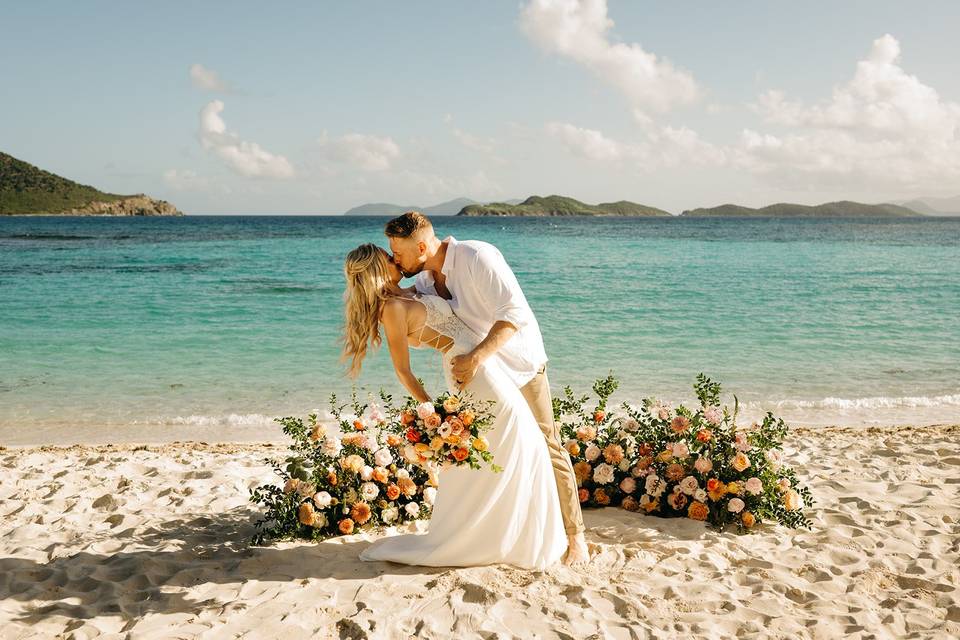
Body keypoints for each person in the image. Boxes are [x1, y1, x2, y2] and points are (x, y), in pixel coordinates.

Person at [341, 243, 566, 569]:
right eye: (388, 259)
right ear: (378, 269)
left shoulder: (407, 292)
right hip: (472, 375)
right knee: (519, 441)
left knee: (518, 445)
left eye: (394, 253)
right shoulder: (390, 308)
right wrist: (433, 411)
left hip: (481, 367)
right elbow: (403, 372)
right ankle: (493, 537)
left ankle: (510, 534)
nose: (395, 260)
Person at [384, 211, 589, 566]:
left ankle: (576, 538)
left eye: (397, 252)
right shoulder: (426, 280)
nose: (395, 259)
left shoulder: (478, 256)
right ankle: (509, 534)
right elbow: (412, 309)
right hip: (486, 378)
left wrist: (477, 357)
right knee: (498, 453)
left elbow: (514, 313)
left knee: (546, 443)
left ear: (421, 246)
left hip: (520, 365)